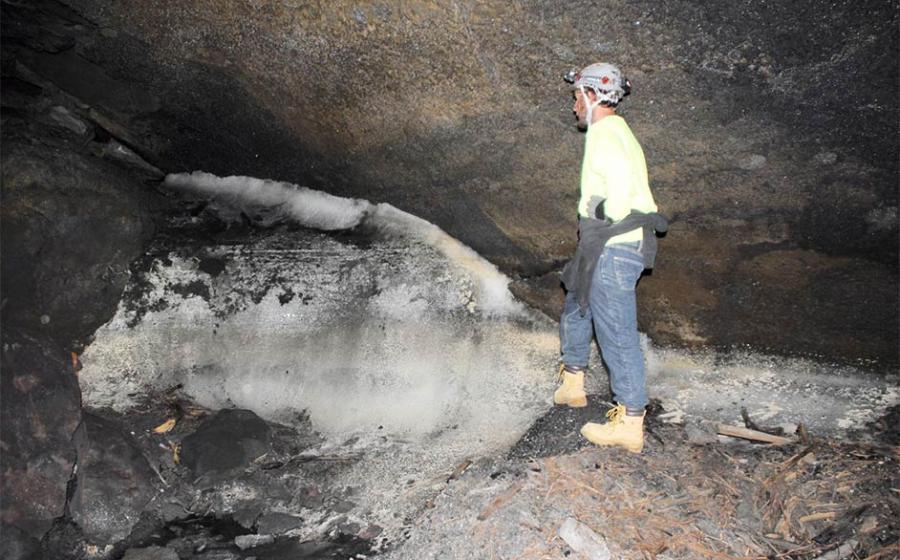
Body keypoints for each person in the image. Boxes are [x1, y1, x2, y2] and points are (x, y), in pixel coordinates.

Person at [554, 62, 667, 453]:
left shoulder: (605, 134)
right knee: (577, 302)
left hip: (613, 245)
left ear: (592, 95)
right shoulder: (617, 131)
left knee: (617, 333)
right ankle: (572, 384)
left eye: (576, 96)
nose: (574, 105)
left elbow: (618, 188)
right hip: (604, 245)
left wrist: (606, 215)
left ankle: (630, 423)